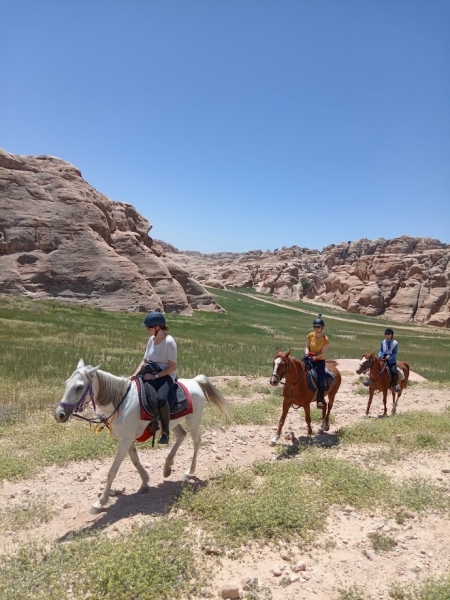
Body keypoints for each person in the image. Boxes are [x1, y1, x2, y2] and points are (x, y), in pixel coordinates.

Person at [132, 311, 178, 444]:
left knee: (161, 398)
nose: (147, 330)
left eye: (149, 328)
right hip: (150, 372)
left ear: (157, 327)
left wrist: (155, 376)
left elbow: (172, 367)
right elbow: (145, 360)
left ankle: (165, 432)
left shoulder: (169, 342)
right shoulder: (151, 340)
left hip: (166, 376)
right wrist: (134, 375)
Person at [305, 314, 329, 408]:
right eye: (315, 326)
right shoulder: (310, 335)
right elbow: (307, 346)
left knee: (321, 379)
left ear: (322, 328)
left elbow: (323, 353)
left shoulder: (325, 339)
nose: (316, 328)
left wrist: (314, 358)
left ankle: (319, 399)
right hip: (309, 358)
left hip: (319, 361)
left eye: (318, 327)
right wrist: (307, 354)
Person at [378, 327, 401, 392]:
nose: (387, 335)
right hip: (383, 358)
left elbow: (395, 352)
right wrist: (380, 355)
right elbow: (381, 350)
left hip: (391, 361)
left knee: (394, 372)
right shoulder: (383, 342)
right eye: (386, 334)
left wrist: (389, 356)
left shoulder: (395, 343)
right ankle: (372, 381)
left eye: (389, 334)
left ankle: (395, 385)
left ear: (391, 335)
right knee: (376, 368)